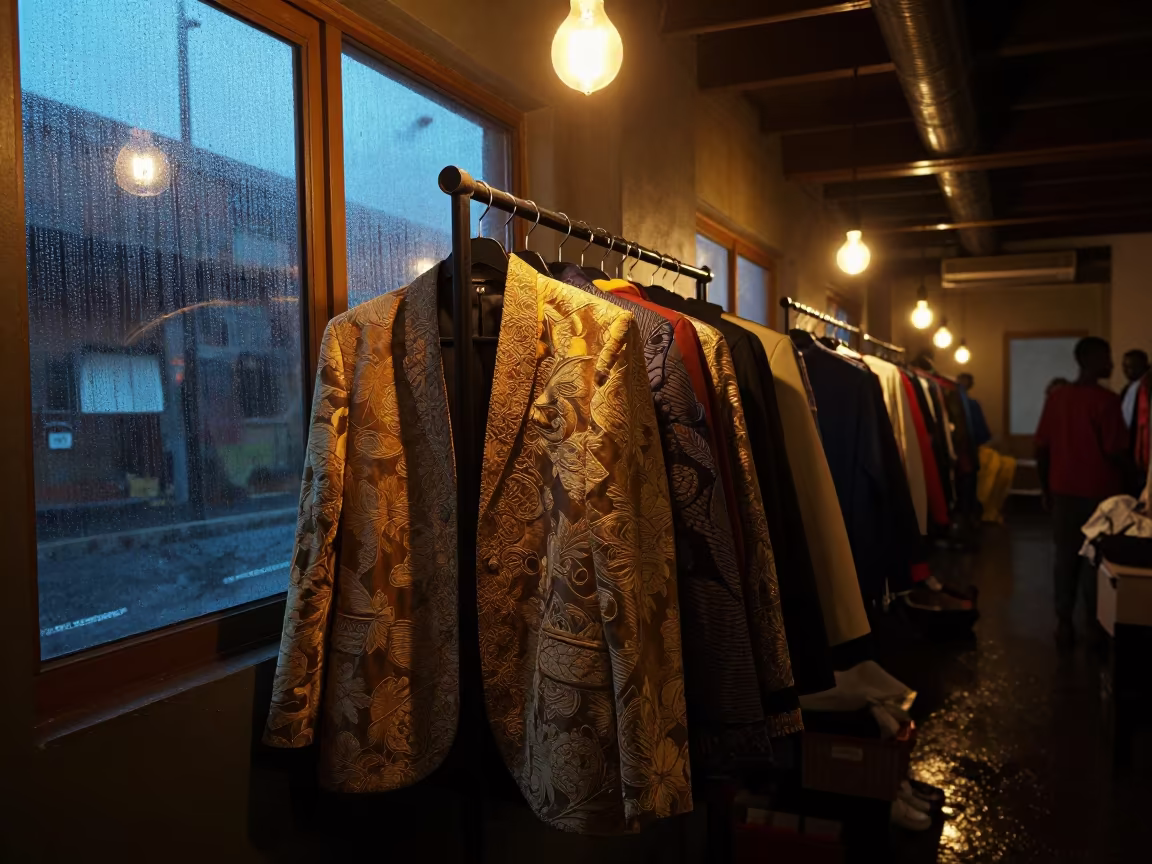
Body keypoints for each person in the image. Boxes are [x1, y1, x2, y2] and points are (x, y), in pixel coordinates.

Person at [1035, 337, 1130, 648]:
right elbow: (1116, 450)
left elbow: (1042, 448)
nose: (1112, 364)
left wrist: (1046, 488)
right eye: (1107, 357)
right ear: (1089, 359)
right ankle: (1094, 624)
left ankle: (1064, 622)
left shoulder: (1057, 398)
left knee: (1065, 559)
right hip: (1100, 496)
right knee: (1095, 562)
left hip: (1063, 491)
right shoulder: (1107, 401)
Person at [960, 373, 1015, 523]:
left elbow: (982, 433)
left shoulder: (971, 404)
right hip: (964, 451)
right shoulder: (965, 404)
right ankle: (977, 510)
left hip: (972, 449)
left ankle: (981, 511)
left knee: (1003, 464)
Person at [1120, 349, 1149, 427]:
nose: (1125, 371)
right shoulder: (1127, 389)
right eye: (1124, 366)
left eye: (1129, 367)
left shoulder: (1146, 388)